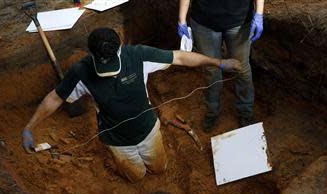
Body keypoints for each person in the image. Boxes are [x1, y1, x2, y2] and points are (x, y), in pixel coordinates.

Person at [22, 27, 241, 183]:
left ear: (119, 50)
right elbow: (55, 97)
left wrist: (218, 62)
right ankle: (131, 170)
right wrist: (29, 127)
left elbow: (180, 58)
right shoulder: (81, 71)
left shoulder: (137, 55)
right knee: (136, 177)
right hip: (117, 142)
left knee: (159, 168)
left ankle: (152, 162)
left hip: (148, 131)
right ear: (91, 55)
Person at [178, 0, 264, 132]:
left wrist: (259, 13)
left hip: (239, 21)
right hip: (204, 23)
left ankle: (245, 112)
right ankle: (212, 112)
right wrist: (182, 19)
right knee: (210, 70)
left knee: (241, 68)